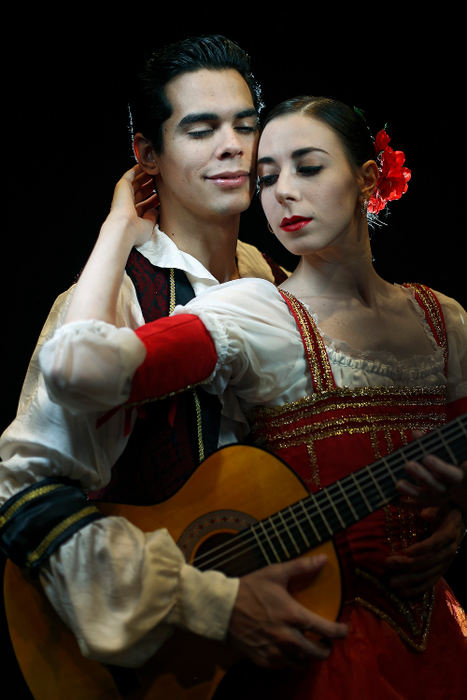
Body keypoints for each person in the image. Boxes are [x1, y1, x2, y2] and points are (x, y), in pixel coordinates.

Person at [0, 34, 464, 687]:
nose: (233, 147)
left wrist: (439, 517)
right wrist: (208, 605)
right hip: (157, 670)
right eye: (199, 129)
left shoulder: (286, 286)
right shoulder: (107, 301)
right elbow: (28, 496)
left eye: (246, 125)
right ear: (146, 157)